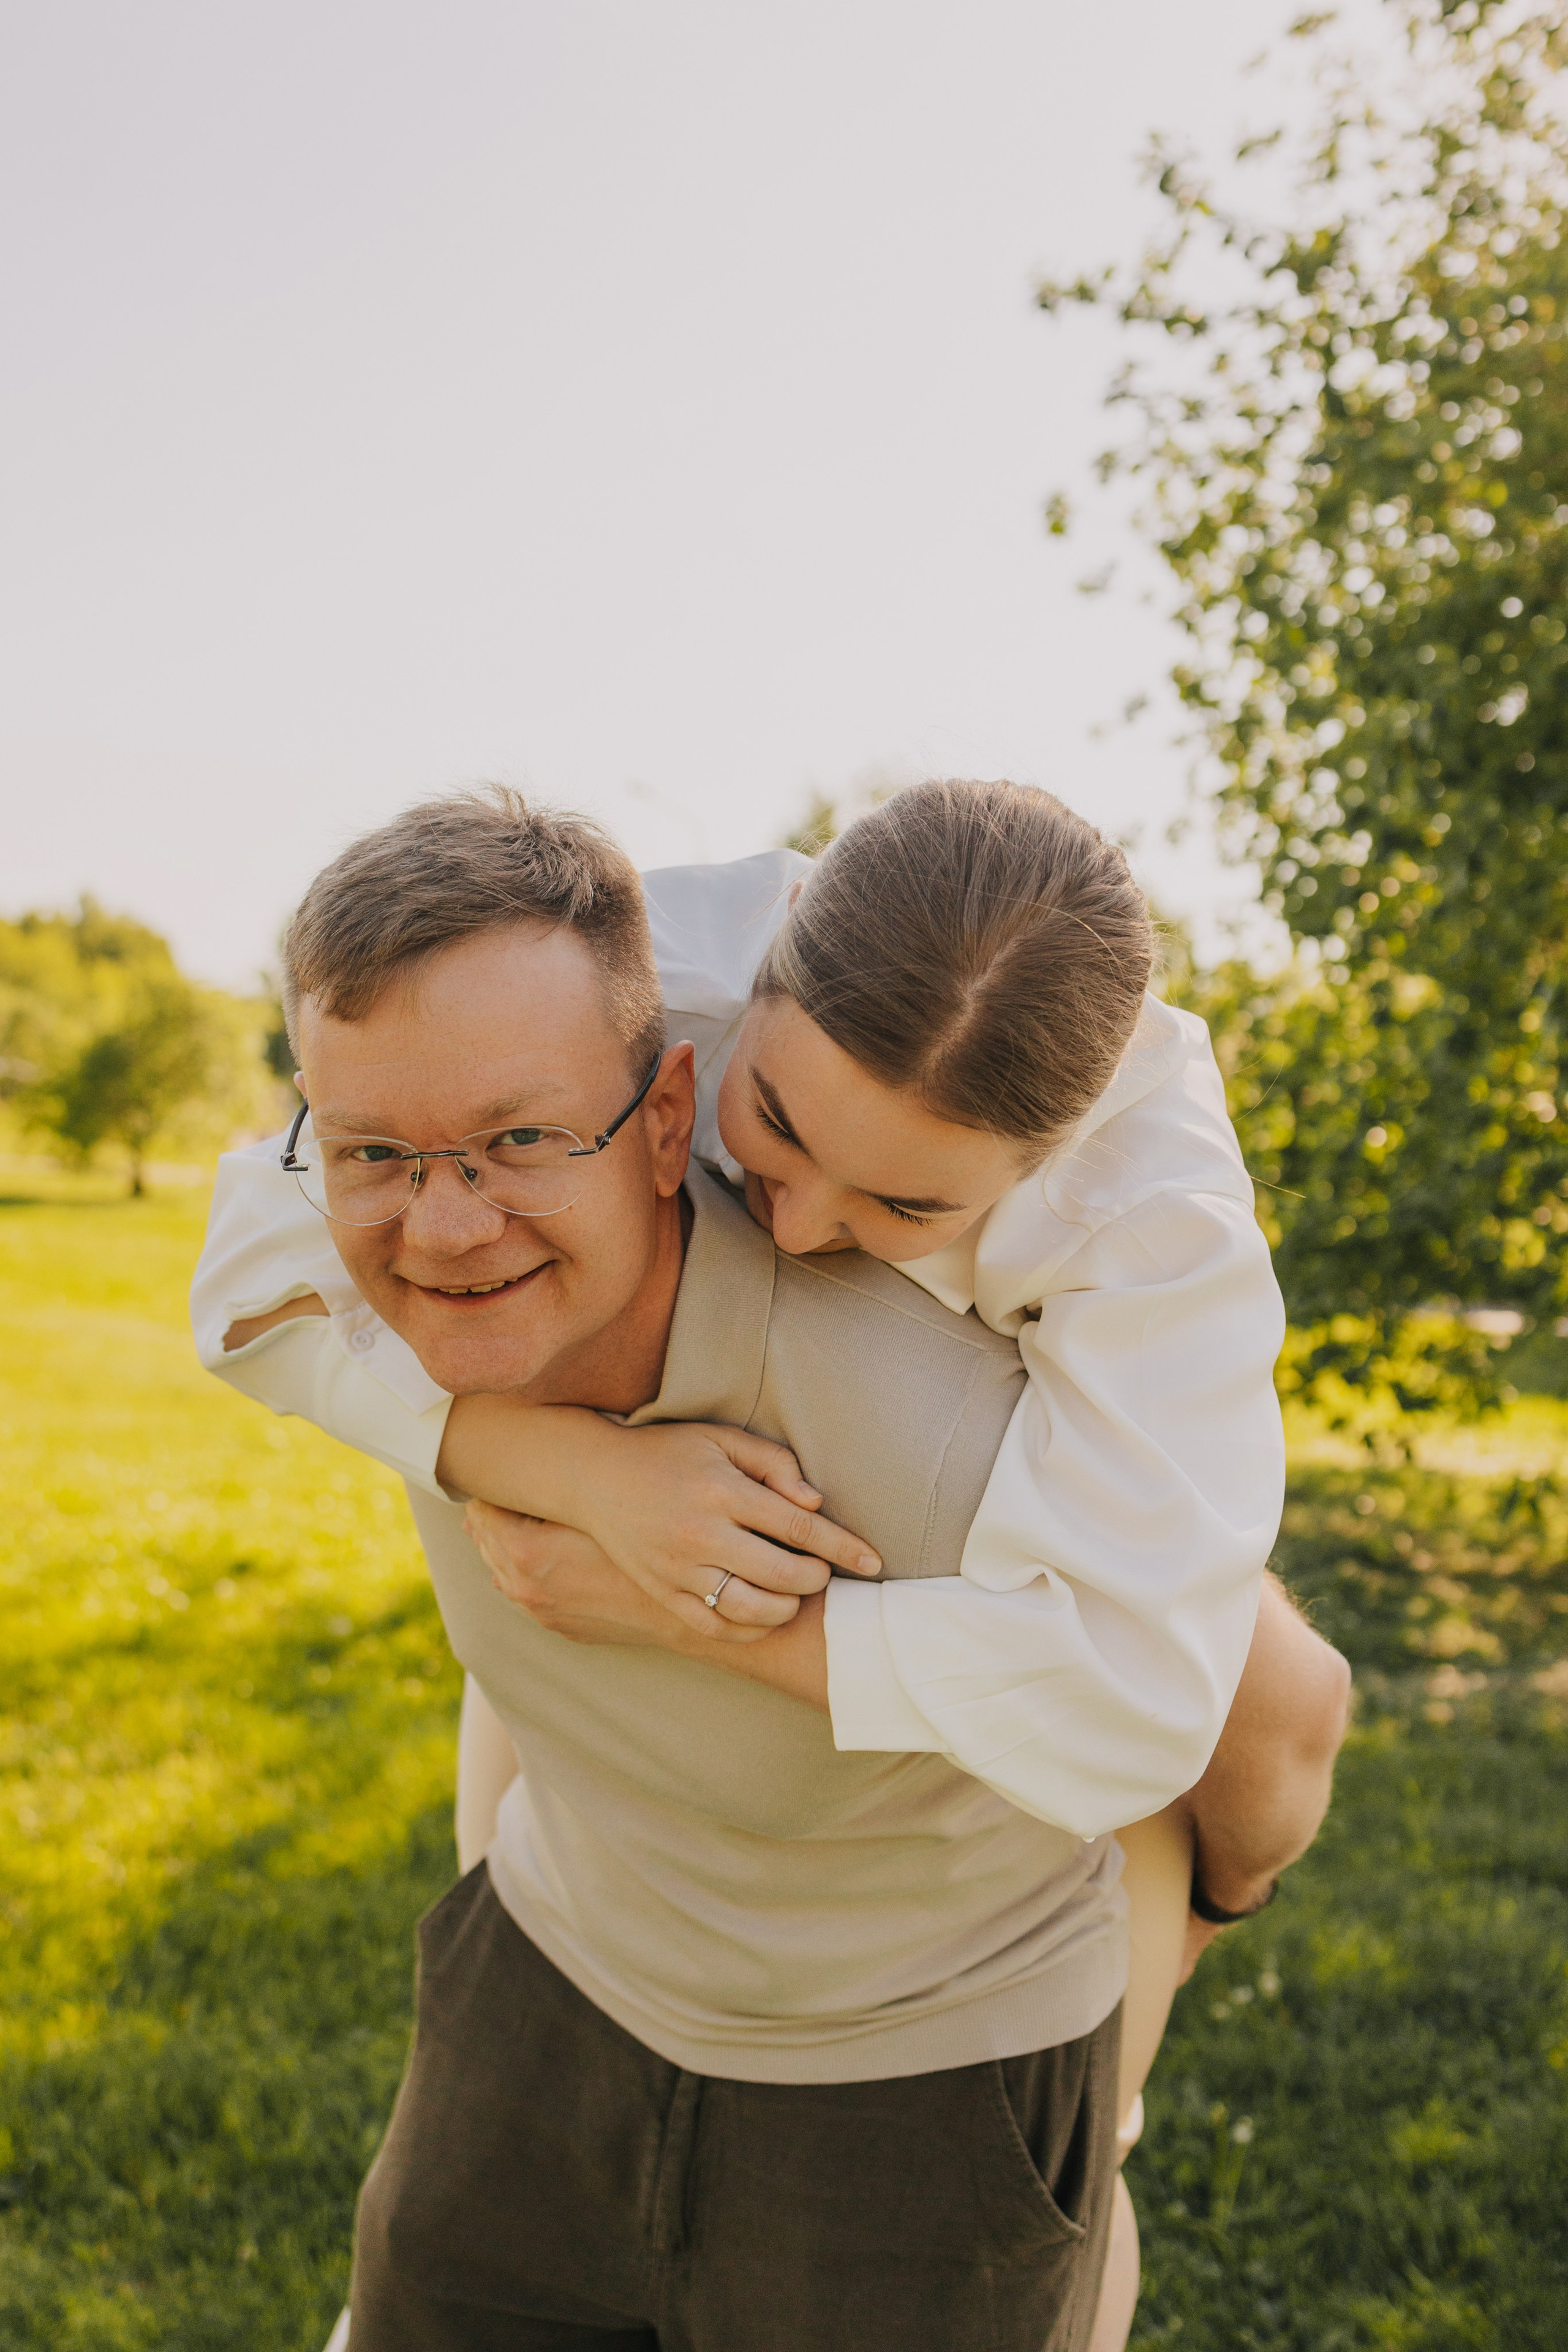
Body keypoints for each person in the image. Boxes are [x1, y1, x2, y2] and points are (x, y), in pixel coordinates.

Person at [191, 786, 1339, 2348]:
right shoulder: (659, 966)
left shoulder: (1149, 1231)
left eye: (905, 1203)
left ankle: (1134, 2073)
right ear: (717, 1051)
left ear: (1033, 1162)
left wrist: (708, 1611)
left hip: (954, 1967)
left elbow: (1135, 1706)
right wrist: (563, 1469)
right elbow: (256, 1248)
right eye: (775, 1127)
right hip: (588, 1926)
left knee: (1280, 1715)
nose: (795, 1222)